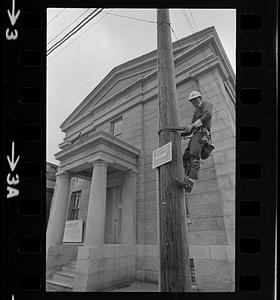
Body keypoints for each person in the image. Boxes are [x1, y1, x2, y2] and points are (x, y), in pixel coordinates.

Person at [182, 90, 214, 193]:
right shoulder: (196, 112)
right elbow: (191, 129)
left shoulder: (206, 104)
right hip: (196, 134)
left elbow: (208, 115)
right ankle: (186, 178)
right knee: (186, 157)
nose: (193, 102)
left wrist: (193, 125)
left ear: (200, 98)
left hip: (202, 134)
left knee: (194, 155)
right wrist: (179, 134)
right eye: (192, 101)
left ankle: (190, 182)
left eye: (195, 99)